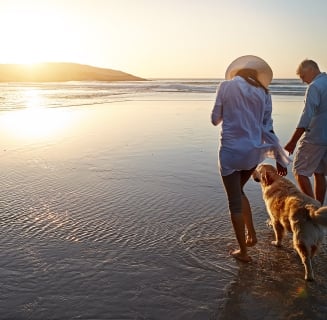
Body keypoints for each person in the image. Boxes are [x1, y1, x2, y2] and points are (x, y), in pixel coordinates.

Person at [211, 55, 290, 263]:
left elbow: (214, 120)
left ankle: (244, 253)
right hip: (252, 155)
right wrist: (280, 157)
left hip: (230, 153)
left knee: (234, 203)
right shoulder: (264, 93)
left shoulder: (225, 87)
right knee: (239, 191)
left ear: (235, 72)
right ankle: (251, 235)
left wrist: (230, 113)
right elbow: (268, 127)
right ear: (257, 75)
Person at [284, 59, 327, 205]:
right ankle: (321, 211)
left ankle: (314, 209)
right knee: (319, 172)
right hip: (325, 138)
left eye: (302, 76)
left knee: (299, 171)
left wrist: (292, 141)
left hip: (314, 137)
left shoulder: (315, 86)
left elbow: (307, 116)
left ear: (311, 70)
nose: (302, 81)